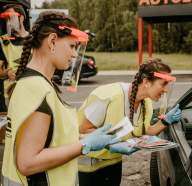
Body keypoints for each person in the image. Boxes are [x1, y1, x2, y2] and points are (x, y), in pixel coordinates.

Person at [1, 11, 117, 186]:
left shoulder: (35, 83)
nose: (75, 54)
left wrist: (86, 139)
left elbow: (49, 139)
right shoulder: (36, 88)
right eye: (72, 46)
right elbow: (27, 163)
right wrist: (84, 145)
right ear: (52, 41)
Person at [78, 59, 182, 186]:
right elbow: (84, 129)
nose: (166, 90)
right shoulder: (109, 95)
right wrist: (111, 145)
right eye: (163, 84)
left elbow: (144, 131)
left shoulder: (146, 102)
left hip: (113, 162)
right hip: (88, 164)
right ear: (146, 82)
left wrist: (166, 121)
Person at [0, 3, 29, 110]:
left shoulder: (35, 40)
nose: (8, 22)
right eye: (6, 19)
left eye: (11, 18)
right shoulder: (3, 41)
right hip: (11, 94)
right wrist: (7, 73)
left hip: (33, 91)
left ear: (21, 18)